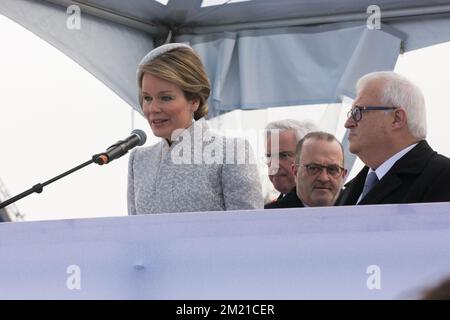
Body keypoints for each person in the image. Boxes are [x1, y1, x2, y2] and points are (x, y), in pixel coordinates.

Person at [128, 43, 263, 214]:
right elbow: (134, 232)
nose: (152, 108)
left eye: (166, 97)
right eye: (147, 98)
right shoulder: (139, 160)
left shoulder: (231, 152)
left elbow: (249, 231)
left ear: (195, 100)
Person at [337, 71, 450, 206]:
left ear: (397, 118)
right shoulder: (353, 188)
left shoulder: (443, 178)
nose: (348, 123)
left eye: (358, 111)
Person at [265, 131, 347, 208]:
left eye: (332, 169)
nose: (324, 178)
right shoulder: (265, 218)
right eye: (313, 168)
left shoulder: (358, 210)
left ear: (343, 175)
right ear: (295, 172)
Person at [264, 119, 318, 208]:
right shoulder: (267, 213)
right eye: (269, 156)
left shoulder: (342, 203)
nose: (273, 165)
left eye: (283, 155)